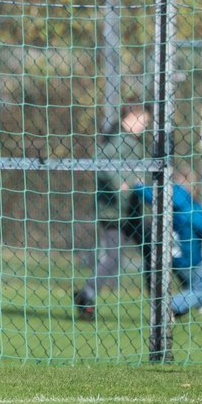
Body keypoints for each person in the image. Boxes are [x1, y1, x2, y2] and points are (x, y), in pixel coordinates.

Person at [73, 103, 153, 320]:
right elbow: (103, 162)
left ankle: (161, 303)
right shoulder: (118, 139)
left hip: (131, 210)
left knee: (152, 250)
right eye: (143, 121)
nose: (145, 126)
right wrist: (122, 183)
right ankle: (86, 295)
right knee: (113, 257)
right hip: (115, 212)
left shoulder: (132, 141)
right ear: (132, 117)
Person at [133, 163, 202, 318]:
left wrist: (138, 186)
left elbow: (148, 194)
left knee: (196, 289)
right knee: (199, 290)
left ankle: (182, 308)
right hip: (189, 259)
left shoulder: (164, 201)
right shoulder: (191, 209)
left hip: (170, 256)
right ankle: (170, 307)